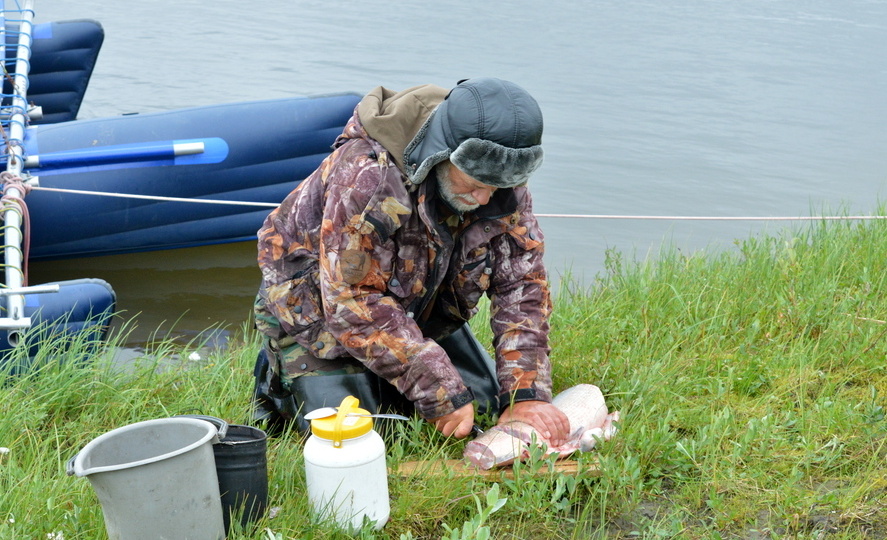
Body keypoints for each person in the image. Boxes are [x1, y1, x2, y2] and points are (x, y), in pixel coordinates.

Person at [252, 77, 569, 444]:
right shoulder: (367, 176)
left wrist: (523, 396)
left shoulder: (500, 179)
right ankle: (276, 372)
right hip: (316, 310)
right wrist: (437, 387)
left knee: (481, 408)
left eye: (497, 186)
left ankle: (408, 367)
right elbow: (349, 299)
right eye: (474, 183)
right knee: (360, 438)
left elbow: (522, 287)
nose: (485, 198)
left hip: (417, 306)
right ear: (441, 152)